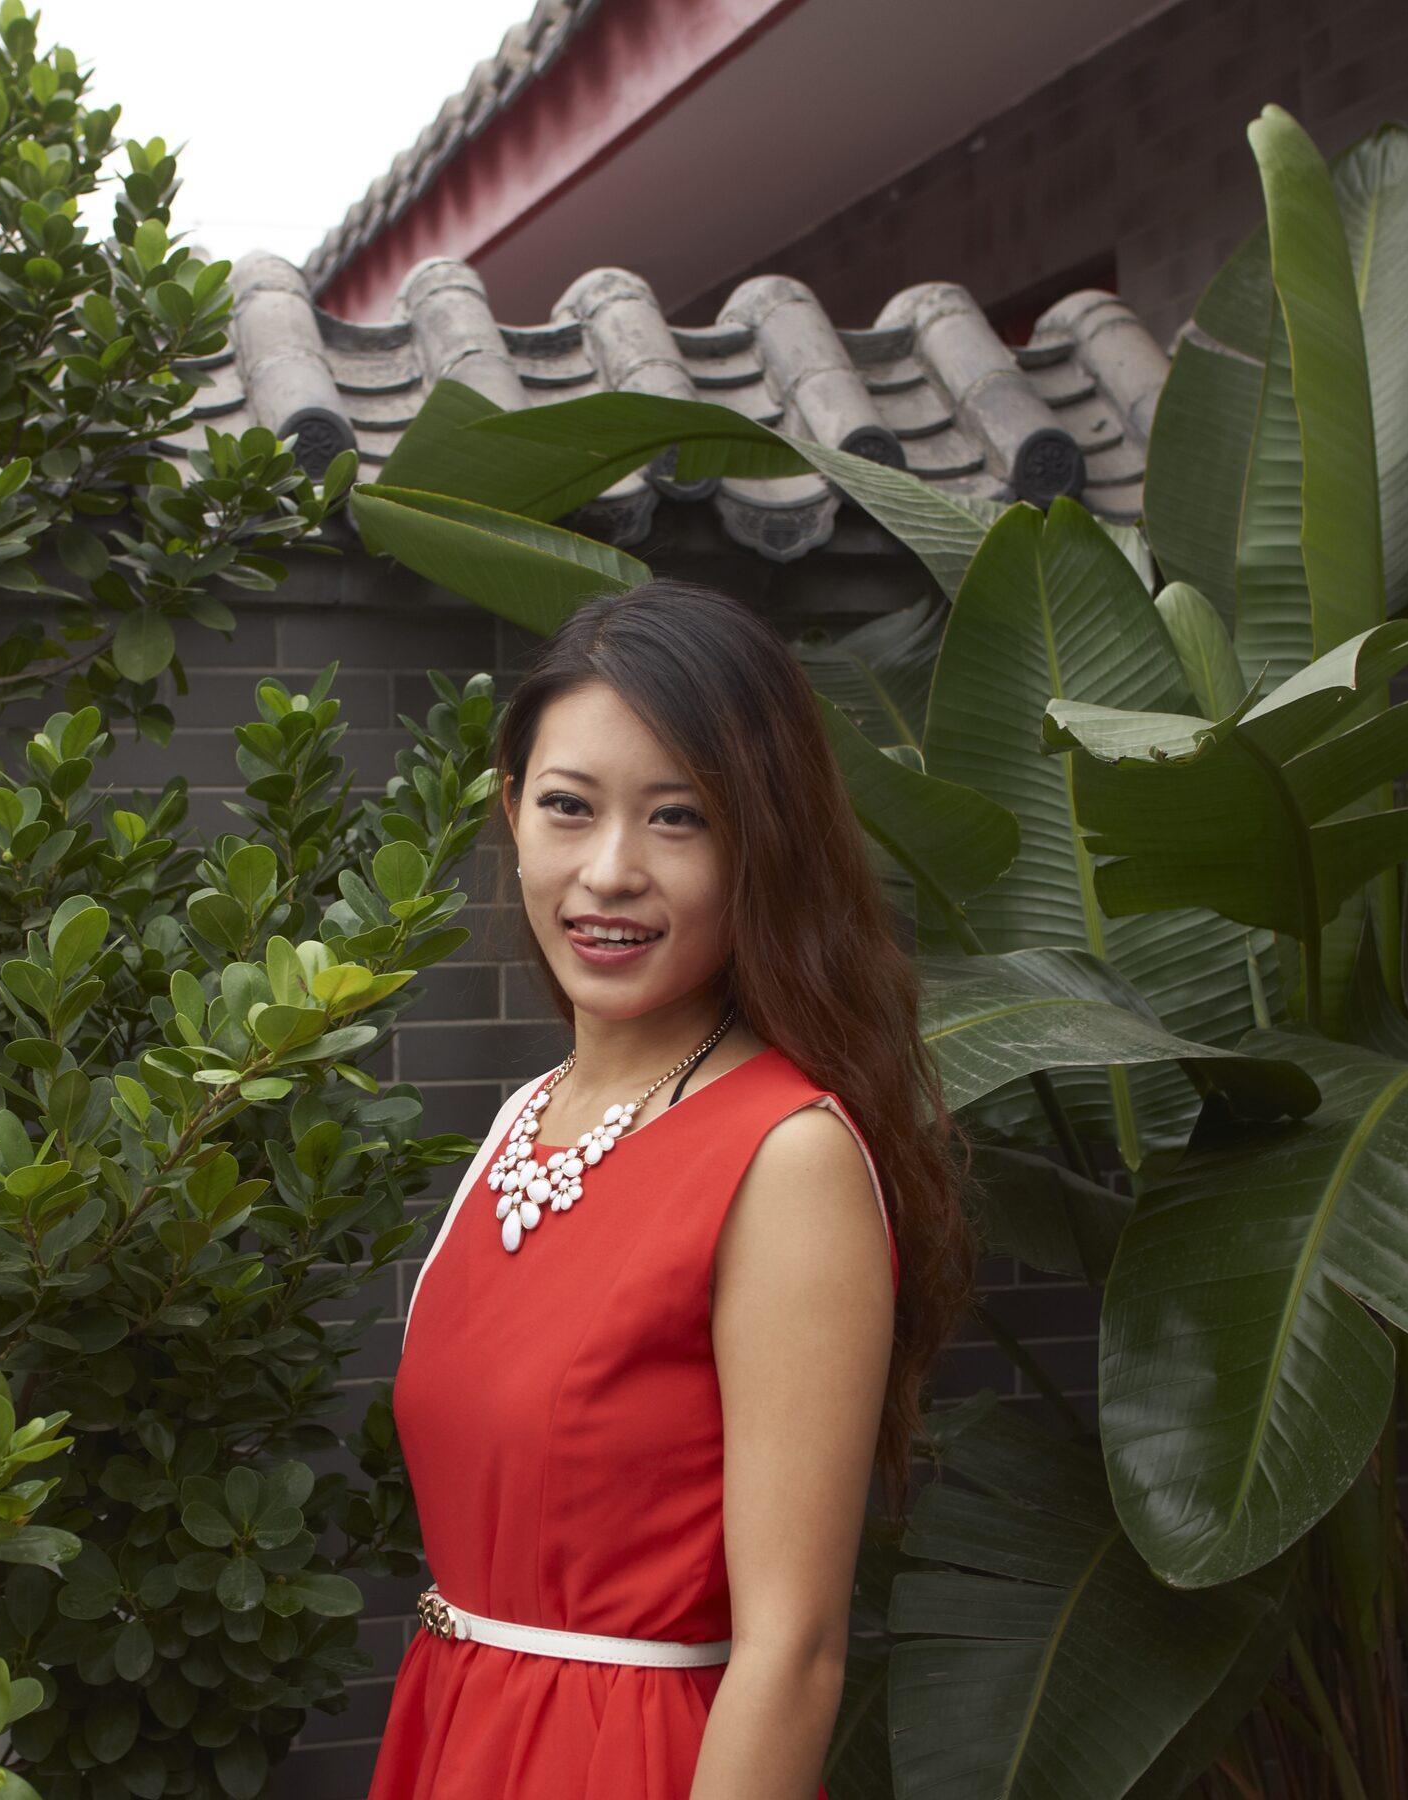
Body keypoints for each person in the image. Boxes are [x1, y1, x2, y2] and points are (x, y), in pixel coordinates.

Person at [365, 580, 974, 1800]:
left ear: (762, 843)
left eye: (679, 819)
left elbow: (794, 1653)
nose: (610, 872)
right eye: (568, 807)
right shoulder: (520, 1120)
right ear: (511, 812)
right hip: (456, 1744)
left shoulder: (786, 1158)